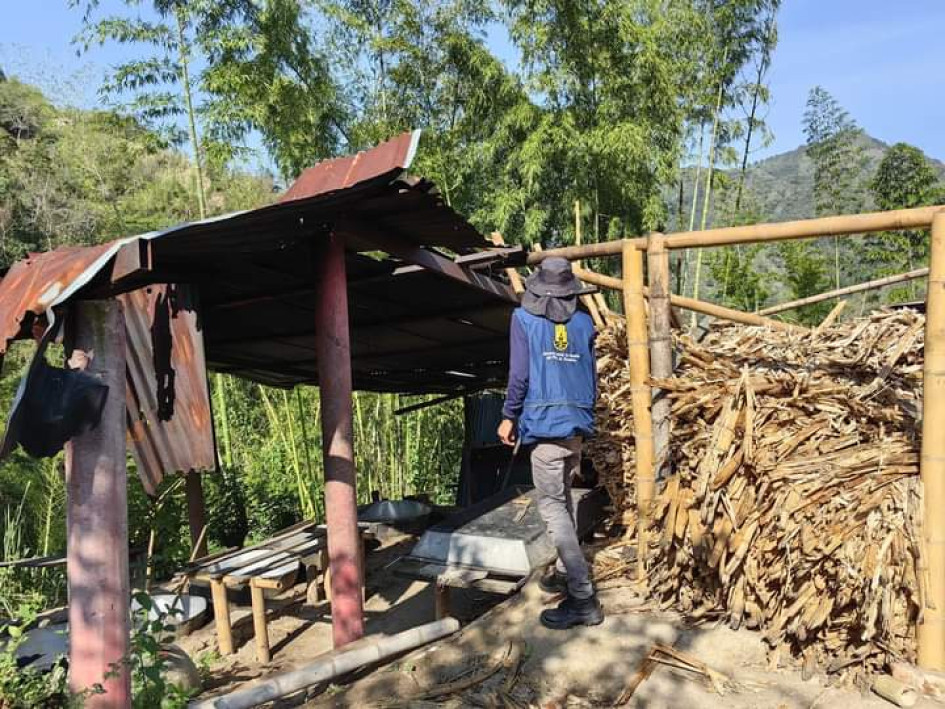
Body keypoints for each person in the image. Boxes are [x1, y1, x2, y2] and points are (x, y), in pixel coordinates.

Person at [497, 256, 604, 630]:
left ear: (538, 288)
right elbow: (591, 377)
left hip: (544, 426)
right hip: (576, 423)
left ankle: (583, 597)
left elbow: (520, 375)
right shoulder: (585, 323)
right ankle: (561, 571)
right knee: (563, 498)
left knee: (553, 508)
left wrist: (509, 415)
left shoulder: (523, 320)